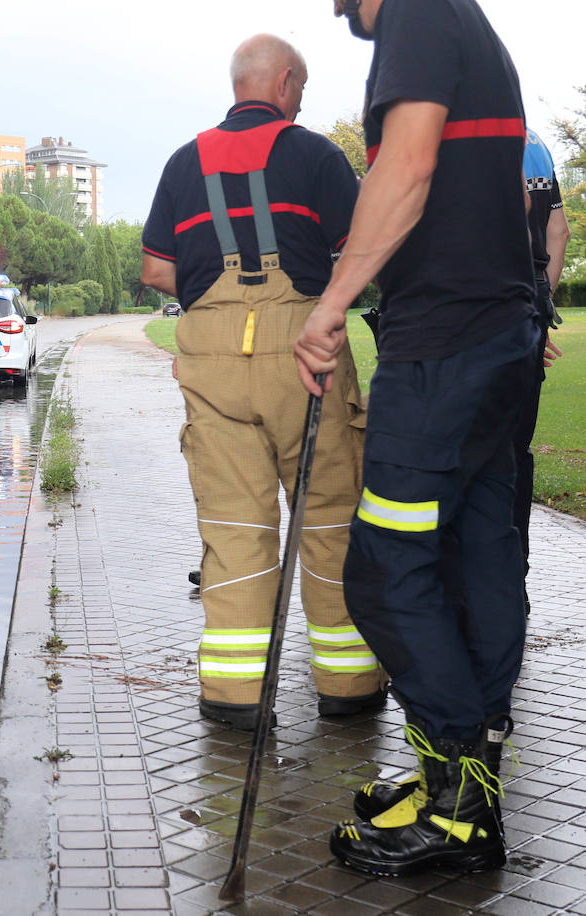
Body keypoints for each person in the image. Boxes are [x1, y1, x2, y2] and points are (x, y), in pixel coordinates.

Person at [295, 0, 540, 877]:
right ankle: (457, 785)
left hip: (443, 352)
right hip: (488, 339)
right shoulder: (460, 22)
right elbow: (497, 189)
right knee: (469, 562)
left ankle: (461, 805)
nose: (333, 4)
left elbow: (406, 165)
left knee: (387, 573)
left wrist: (330, 307)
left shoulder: (419, 10)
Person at [141, 34, 386, 732]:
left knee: (233, 529)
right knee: (331, 519)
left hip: (212, 362)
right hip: (304, 352)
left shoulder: (183, 162)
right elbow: (357, 251)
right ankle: (347, 686)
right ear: (283, 83)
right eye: (301, 90)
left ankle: (234, 695)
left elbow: (157, 271)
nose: (301, 101)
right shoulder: (315, 156)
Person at [514, 128, 570, 605]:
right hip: (528, 298)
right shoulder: (536, 144)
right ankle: (516, 579)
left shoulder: (457, 132)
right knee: (517, 448)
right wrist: (541, 305)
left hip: (477, 302)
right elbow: (559, 230)